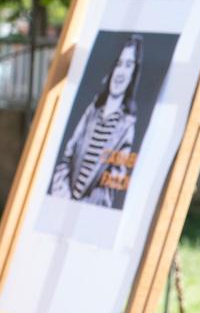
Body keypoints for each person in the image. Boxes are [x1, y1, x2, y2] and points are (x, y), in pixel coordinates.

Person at [49, 36, 144, 209]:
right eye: (119, 63)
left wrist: (79, 208)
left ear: (133, 73)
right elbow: (66, 159)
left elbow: (112, 185)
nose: (121, 72)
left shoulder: (127, 127)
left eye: (128, 65)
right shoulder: (91, 112)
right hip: (61, 205)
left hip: (87, 215)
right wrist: (62, 199)